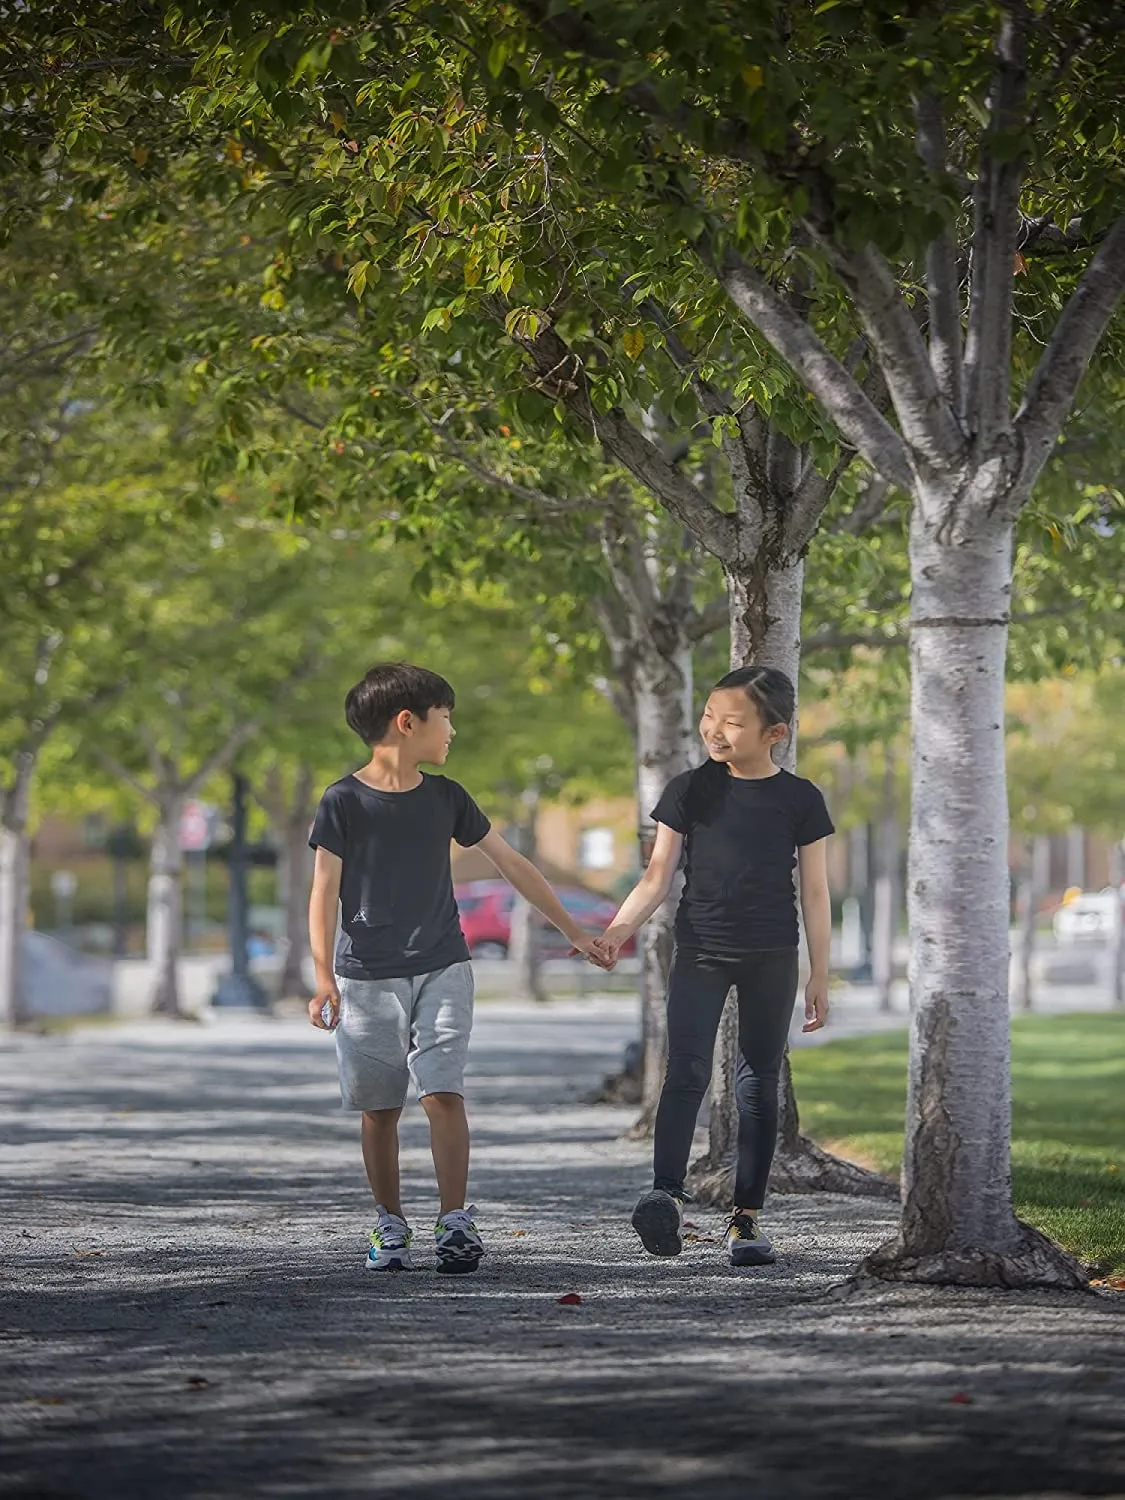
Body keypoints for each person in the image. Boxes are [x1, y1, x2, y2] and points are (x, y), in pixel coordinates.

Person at [307, 662, 611, 1276]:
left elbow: (512, 864)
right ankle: (389, 1224)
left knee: (443, 1092)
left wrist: (574, 931)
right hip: (365, 976)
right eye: (445, 718)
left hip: (444, 965)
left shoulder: (448, 798)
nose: (452, 731)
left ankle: (454, 1222)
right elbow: (322, 892)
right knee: (380, 1108)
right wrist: (321, 977)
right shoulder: (342, 802)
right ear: (406, 722)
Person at [593, 665, 833, 1268]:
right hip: (699, 949)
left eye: (732, 722)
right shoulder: (687, 790)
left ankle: (746, 1219)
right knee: (686, 1073)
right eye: (709, 716)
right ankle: (666, 1197)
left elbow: (817, 892)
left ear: (774, 732)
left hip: (772, 954)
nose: (714, 731)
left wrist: (820, 974)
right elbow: (657, 878)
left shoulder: (800, 799)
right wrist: (618, 932)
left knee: (758, 1083)